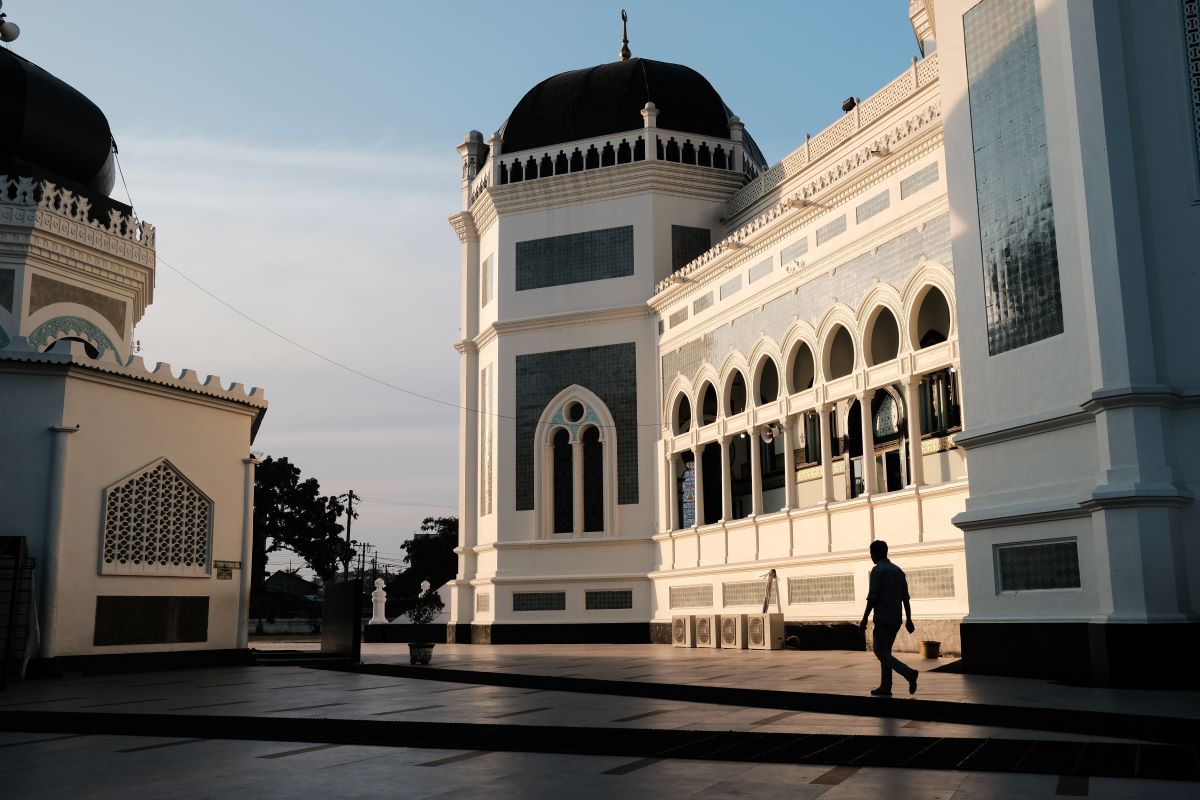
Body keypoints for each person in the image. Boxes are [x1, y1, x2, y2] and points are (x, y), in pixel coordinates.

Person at [859, 539, 918, 696]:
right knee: (886, 652)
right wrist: (909, 619)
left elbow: (872, 598)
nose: (871, 556)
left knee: (880, 652)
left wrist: (865, 618)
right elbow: (905, 598)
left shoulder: (878, 571)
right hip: (896, 619)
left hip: (883, 618)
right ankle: (885, 687)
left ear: (877, 553)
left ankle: (909, 673)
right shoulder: (898, 571)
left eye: (872, 553)